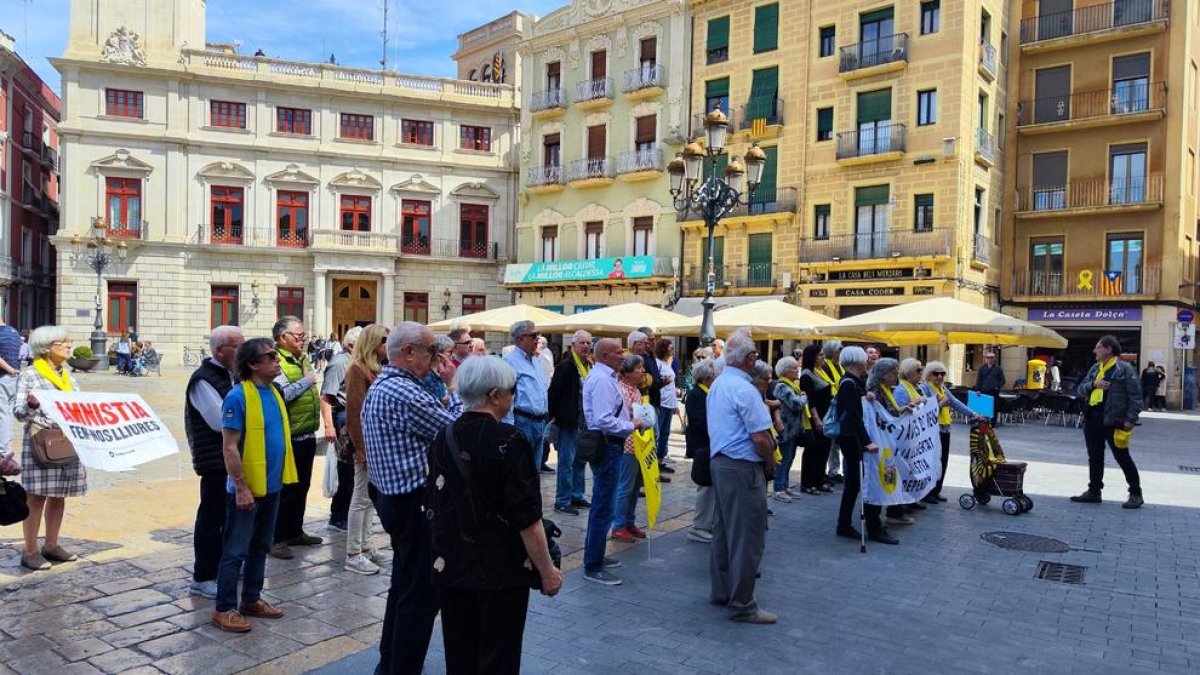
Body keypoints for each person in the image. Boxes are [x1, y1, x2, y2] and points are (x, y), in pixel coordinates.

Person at [427, 356, 562, 675]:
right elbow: (527, 518)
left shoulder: (444, 435)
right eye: (511, 390)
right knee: (498, 656)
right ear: (494, 395)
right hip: (499, 571)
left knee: (460, 654)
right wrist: (547, 571)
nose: (513, 397)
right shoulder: (508, 439)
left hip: (453, 565)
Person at [362, 322, 460, 673]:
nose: (437, 359)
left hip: (397, 501)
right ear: (408, 353)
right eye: (432, 352)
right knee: (420, 596)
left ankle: (389, 665)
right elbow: (456, 433)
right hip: (414, 505)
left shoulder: (389, 386)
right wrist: (453, 387)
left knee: (404, 588)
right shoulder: (404, 392)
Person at [210, 338, 297, 633]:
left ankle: (251, 599)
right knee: (235, 549)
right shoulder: (237, 397)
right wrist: (241, 486)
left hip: (271, 486)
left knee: (260, 546)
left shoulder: (273, 392)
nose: (277, 360)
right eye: (270, 356)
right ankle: (224, 608)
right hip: (246, 489)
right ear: (252, 364)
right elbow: (229, 448)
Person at [706, 330, 776, 623]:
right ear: (750, 359)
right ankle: (743, 603)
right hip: (741, 466)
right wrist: (770, 463)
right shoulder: (746, 390)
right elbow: (760, 438)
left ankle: (723, 591)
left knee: (724, 531)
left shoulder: (719, 384)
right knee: (747, 535)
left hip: (721, 463)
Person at [13, 326, 87, 571]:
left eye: (69, 341)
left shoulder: (68, 378)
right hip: (42, 444)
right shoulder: (30, 375)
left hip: (66, 442)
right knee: (36, 497)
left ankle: (52, 545)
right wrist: (32, 406)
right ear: (46, 348)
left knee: (59, 494)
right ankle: (31, 550)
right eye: (62, 342)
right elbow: (19, 413)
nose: (68, 346)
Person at [581, 338, 648, 586]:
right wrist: (632, 424)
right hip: (607, 444)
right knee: (603, 506)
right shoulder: (602, 380)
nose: (623, 355)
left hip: (610, 444)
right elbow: (604, 420)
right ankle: (593, 565)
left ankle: (595, 554)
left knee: (604, 504)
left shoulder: (605, 377)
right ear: (607, 355)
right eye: (619, 352)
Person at [184, 326, 245, 598]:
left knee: (229, 516)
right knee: (211, 517)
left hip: (233, 458)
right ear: (220, 350)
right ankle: (203, 575)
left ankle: (224, 564)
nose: (242, 351)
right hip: (215, 460)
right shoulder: (203, 379)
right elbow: (219, 421)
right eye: (237, 346)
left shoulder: (235, 375)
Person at [270, 316, 323, 560]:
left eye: (303, 336)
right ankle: (277, 538)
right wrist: (307, 381)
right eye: (299, 336)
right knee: (287, 489)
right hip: (289, 436)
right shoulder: (275, 361)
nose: (303, 340)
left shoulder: (302, 358)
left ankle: (294, 531)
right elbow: (282, 395)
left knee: (302, 487)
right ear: (283, 337)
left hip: (307, 434)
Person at [834, 346, 898, 546]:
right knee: (863, 482)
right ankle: (866, 526)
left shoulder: (854, 382)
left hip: (854, 440)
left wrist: (866, 397)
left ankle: (844, 524)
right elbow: (854, 417)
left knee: (854, 484)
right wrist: (867, 441)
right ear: (857, 362)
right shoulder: (848, 384)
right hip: (853, 441)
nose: (867, 363)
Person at [1072, 335, 1143, 509]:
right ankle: (1094, 491)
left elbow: (1135, 397)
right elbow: (1081, 389)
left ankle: (1136, 493)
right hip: (1093, 419)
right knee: (1095, 457)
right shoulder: (1096, 368)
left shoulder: (1124, 369)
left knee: (1122, 457)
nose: (1094, 350)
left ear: (1109, 349)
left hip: (1114, 420)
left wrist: (1131, 419)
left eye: (1098, 347)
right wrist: (1093, 385)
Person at [343, 324, 389, 575]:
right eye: (385, 341)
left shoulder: (375, 368)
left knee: (369, 497)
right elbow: (355, 413)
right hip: (366, 445)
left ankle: (365, 545)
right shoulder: (357, 370)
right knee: (360, 498)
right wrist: (361, 450)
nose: (388, 346)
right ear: (373, 343)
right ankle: (353, 553)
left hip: (376, 444)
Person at [547, 330, 593, 516]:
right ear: (573, 345)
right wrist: (557, 417)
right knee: (566, 461)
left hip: (584, 421)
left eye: (588, 343)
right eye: (582, 343)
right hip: (569, 421)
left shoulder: (588, 365)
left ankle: (576, 494)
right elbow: (553, 393)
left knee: (580, 460)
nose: (585, 346)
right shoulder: (566, 366)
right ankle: (562, 500)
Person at [320, 327, 361, 533]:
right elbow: (326, 396)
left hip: (352, 415)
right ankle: (338, 517)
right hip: (342, 416)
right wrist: (328, 426)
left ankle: (346, 513)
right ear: (352, 345)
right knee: (345, 468)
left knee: (353, 470)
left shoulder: (357, 362)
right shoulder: (339, 363)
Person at [612, 355, 650, 544]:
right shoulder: (621, 390)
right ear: (627, 372)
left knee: (635, 487)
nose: (642, 371)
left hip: (638, 445)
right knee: (625, 486)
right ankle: (618, 525)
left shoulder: (635, 390)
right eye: (638, 368)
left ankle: (629, 521)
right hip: (627, 444)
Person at [503, 321, 550, 471]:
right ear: (521, 338)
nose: (538, 339)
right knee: (521, 470)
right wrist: (510, 427)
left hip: (540, 422)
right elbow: (508, 396)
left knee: (534, 471)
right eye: (534, 335)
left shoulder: (535, 361)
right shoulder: (510, 362)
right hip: (523, 422)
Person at [630, 328, 673, 477]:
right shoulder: (634, 360)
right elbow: (642, 383)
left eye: (652, 339)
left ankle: (651, 472)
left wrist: (660, 383)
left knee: (655, 437)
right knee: (648, 438)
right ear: (635, 344)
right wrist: (654, 382)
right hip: (643, 404)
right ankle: (642, 475)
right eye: (646, 340)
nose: (650, 342)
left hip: (653, 402)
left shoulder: (649, 357)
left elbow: (650, 380)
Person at [685, 358, 718, 543]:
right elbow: (700, 422)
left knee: (711, 488)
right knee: (705, 488)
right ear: (707, 377)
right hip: (703, 447)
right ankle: (699, 527)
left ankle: (707, 523)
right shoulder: (697, 395)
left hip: (711, 446)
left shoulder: (709, 393)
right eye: (715, 374)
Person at [771, 356, 808, 503]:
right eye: (794, 368)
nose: (797, 370)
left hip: (792, 429)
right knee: (784, 459)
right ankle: (778, 489)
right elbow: (796, 404)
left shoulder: (792, 386)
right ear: (786, 371)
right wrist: (804, 396)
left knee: (790, 458)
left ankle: (785, 486)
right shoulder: (782, 386)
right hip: (785, 430)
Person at [797, 345, 834, 496]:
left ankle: (819, 480)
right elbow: (809, 399)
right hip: (815, 418)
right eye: (820, 355)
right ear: (812, 356)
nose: (823, 357)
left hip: (826, 415)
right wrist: (817, 419)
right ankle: (807, 483)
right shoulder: (806, 375)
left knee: (824, 449)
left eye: (823, 355)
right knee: (813, 450)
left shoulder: (821, 371)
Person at [818, 341, 845, 483]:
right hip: (831, 407)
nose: (841, 352)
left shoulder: (839, 366)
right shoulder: (825, 366)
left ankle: (834, 470)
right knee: (831, 441)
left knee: (836, 442)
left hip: (838, 406)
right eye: (839, 349)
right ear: (832, 352)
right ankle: (829, 471)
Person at [653, 338, 680, 475]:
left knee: (665, 433)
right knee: (658, 433)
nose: (672, 350)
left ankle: (660, 461)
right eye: (670, 348)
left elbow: (672, 386)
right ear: (664, 349)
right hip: (662, 403)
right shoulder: (658, 364)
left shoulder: (667, 364)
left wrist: (675, 404)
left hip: (669, 403)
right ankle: (654, 462)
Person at [0, 316, 22, 462]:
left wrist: (9, 369)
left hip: (3, 376)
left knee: (3, 413)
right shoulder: (13, 331)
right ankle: (6, 446)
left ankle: (3, 450)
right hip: (13, 378)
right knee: (6, 412)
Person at [976, 351, 1006, 425]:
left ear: (994, 359)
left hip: (994, 391)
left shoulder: (998, 369)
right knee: (984, 407)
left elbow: (1003, 380)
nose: (990, 359)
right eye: (988, 357)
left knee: (994, 407)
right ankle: (984, 422)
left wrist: (997, 386)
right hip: (984, 391)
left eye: (991, 358)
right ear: (985, 359)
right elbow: (979, 379)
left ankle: (993, 422)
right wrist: (978, 389)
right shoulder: (982, 368)